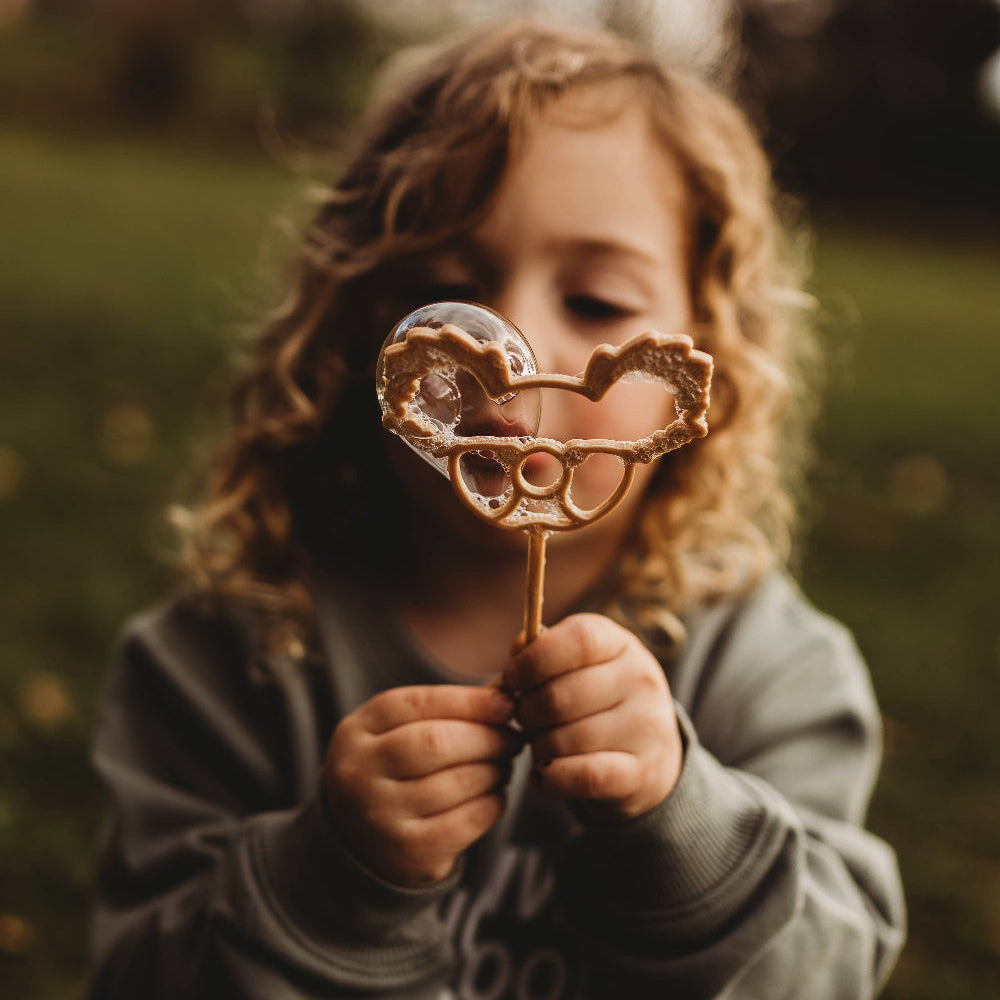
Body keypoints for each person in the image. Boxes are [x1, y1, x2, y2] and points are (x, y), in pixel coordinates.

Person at [89, 18, 906, 1000]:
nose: (513, 363)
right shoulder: (224, 660)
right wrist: (329, 876)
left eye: (597, 302)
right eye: (445, 294)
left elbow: (826, 972)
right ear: (358, 338)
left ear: (708, 374)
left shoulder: (770, 675)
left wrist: (681, 818)